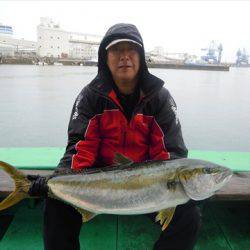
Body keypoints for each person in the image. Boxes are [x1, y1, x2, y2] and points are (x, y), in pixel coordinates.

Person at [29, 23, 201, 250]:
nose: (125, 57)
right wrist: (57, 181)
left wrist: (196, 186)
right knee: (55, 208)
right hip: (97, 181)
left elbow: (171, 154)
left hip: (149, 185)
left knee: (189, 218)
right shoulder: (91, 96)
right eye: (116, 50)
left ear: (141, 57)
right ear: (105, 57)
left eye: (132, 49)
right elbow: (80, 147)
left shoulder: (159, 98)